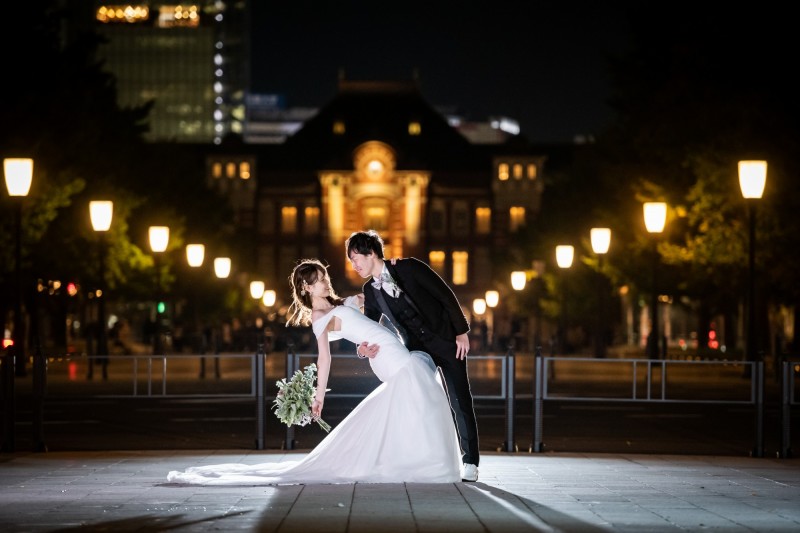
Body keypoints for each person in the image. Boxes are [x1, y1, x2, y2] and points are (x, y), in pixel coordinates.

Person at [167, 259, 460, 485]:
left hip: (386, 348)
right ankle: (422, 462)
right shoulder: (320, 318)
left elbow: (371, 305)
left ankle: (412, 458)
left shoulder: (341, 303)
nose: (324, 283)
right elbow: (324, 359)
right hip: (388, 356)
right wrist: (319, 397)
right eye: (318, 281)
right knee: (419, 394)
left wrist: (387, 275)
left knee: (413, 401)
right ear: (306, 288)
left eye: (324, 278)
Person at [345, 230, 480, 482]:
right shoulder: (370, 290)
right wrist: (362, 348)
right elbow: (368, 326)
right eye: (351, 261)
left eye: (355, 258)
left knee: (460, 401)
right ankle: (421, 459)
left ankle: (470, 461)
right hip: (416, 350)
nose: (354, 265)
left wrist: (461, 332)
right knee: (416, 402)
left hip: (447, 341)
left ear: (371, 253)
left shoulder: (409, 268)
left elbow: (444, 294)